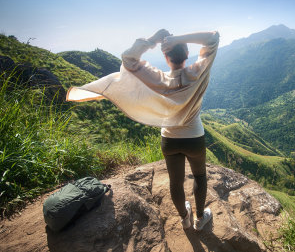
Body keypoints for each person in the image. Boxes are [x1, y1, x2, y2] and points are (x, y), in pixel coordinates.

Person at [66, 29, 220, 231]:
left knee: (176, 181)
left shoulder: (159, 80)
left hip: (169, 139)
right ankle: (200, 219)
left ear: (166, 57)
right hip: (194, 137)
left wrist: (152, 40)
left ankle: (185, 218)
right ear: (187, 55)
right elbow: (213, 37)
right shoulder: (198, 73)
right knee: (200, 176)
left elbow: (128, 59)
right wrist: (178, 39)